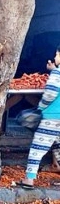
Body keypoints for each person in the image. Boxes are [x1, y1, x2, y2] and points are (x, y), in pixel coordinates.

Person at [19, 45, 60, 189]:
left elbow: (50, 94)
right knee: (58, 146)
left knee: (38, 147)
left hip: (52, 116)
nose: (55, 58)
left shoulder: (57, 73)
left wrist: (41, 107)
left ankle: (29, 179)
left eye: (56, 55)